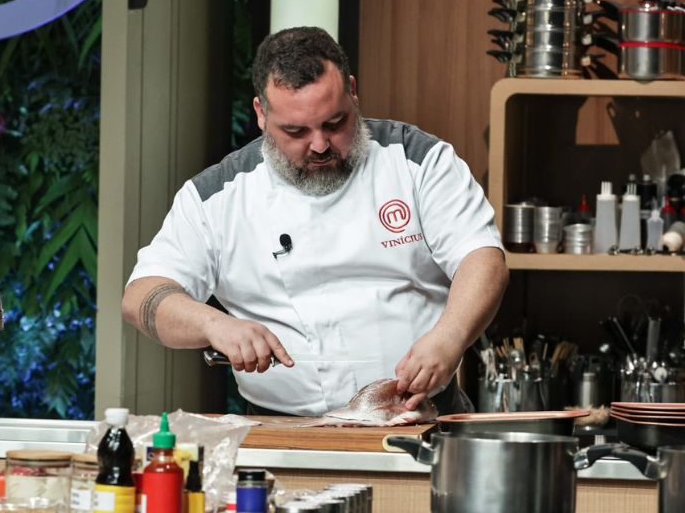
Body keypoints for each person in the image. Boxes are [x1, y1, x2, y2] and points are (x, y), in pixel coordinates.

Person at [122, 26, 509, 416]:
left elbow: (482, 258)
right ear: (261, 114)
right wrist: (213, 324)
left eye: (335, 123)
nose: (320, 145)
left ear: (352, 92)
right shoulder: (217, 196)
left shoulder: (418, 161)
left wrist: (449, 336)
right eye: (296, 131)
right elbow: (142, 296)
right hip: (280, 429)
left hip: (421, 417)